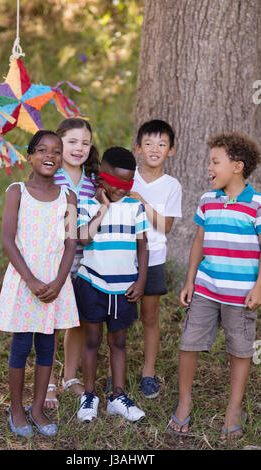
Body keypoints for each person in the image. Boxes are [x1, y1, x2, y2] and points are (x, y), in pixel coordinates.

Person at [167, 132, 261, 440]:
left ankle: (234, 409)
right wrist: (190, 280)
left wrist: (258, 287)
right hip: (206, 288)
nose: (209, 168)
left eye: (215, 162)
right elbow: (198, 241)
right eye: (210, 162)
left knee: (240, 349)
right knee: (189, 343)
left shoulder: (257, 204)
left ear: (237, 166)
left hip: (241, 294)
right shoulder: (208, 200)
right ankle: (184, 402)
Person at [0, 130, 79, 437]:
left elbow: (71, 243)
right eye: (42, 150)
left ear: (61, 159)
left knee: (47, 346)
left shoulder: (68, 197)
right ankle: (17, 409)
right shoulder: (17, 191)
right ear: (29, 156)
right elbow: (7, 238)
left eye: (56, 151)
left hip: (55, 282)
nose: (50, 155)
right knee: (21, 346)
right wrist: (30, 279)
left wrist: (58, 281)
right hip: (25, 280)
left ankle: (38, 407)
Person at [75, 147, 149, 422]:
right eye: (116, 184)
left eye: (127, 185)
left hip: (125, 287)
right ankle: (89, 395)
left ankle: (117, 397)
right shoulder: (86, 206)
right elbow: (83, 239)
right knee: (92, 340)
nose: (121, 190)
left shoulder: (135, 207)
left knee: (119, 341)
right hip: (92, 283)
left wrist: (141, 280)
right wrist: (103, 209)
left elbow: (143, 245)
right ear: (102, 178)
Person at [44, 118, 99, 408]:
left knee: (75, 320)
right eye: (72, 142)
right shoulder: (52, 178)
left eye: (85, 143)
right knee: (52, 322)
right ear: (59, 143)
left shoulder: (92, 183)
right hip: (55, 260)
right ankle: (49, 379)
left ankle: (69, 376)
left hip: (85, 262)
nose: (79, 148)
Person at [128, 119, 182, 398]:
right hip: (123, 256)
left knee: (150, 315)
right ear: (138, 148)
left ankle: (148, 372)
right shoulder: (128, 177)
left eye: (162, 144)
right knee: (120, 316)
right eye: (148, 143)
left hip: (154, 258)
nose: (154, 149)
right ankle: (117, 370)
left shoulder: (171, 186)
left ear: (171, 151)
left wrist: (142, 202)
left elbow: (167, 226)